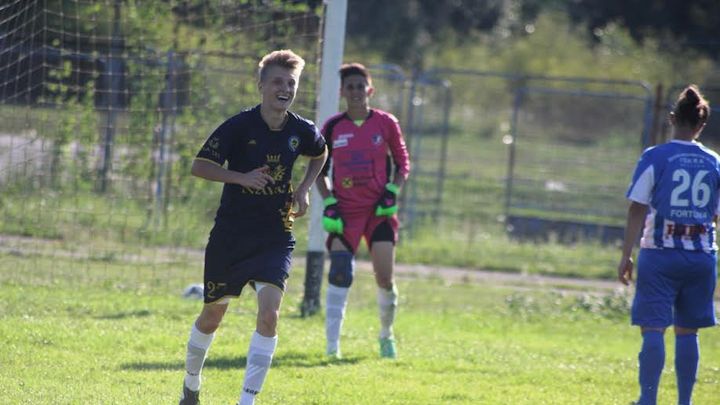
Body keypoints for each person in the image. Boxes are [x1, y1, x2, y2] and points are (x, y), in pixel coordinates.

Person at [178, 49, 327, 405]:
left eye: (291, 83)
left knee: (270, 314)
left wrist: (304, 190)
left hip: (275, 236)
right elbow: (200, 166)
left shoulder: (301, 130)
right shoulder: (238, 126)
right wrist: (240, 177)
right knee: (213, 314)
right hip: (231, 236)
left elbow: (321, 152)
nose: (285, 88)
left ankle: (247, 401)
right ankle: (191, 384)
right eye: (277, 81)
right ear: (261, 85)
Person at [618, 84, 717, 405]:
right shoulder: (714, 162)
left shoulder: (656, 156)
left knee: (653, 328)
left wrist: (626, 255)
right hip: (701, 256)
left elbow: (637, 207)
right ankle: (684, 402)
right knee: (688, 331)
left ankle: (648, 401)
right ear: (702, 124)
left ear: (672, 119)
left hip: (659, 254)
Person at [315, 63, 411, 359]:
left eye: (361, 86)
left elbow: (402, 163)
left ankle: (386, 335)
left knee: (384, 278)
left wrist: (392, 192)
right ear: (342, 91)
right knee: (340, 273)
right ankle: (332, 348)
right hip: (345, 213)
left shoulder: (385, 123)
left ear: (370, 90)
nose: (356, 92)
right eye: (350, 87)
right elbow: (318, 170)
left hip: (378, 213)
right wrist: (329, 202)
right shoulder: (332, 127)